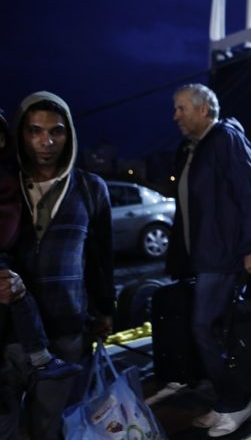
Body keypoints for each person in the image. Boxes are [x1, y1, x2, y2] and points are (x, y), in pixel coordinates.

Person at [0, 92, 114, 440]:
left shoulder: (91, 189)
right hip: (6, 333)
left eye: (56, 131)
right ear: (21, 133)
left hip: (66, 330)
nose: (45, 141)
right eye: (34, 131)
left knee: (50, 426)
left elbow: (100, 260)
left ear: (70, 135)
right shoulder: (6, 186)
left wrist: (104, 311)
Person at [165, 83, 251, 438]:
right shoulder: (195, 148)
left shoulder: (226, 139)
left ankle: (237, 401)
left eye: (181, 108)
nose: (175, 115)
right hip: (206, 258)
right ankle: (227, 400)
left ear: (204, 110)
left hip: (223, 258)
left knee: (205, 328)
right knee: (213, 332)